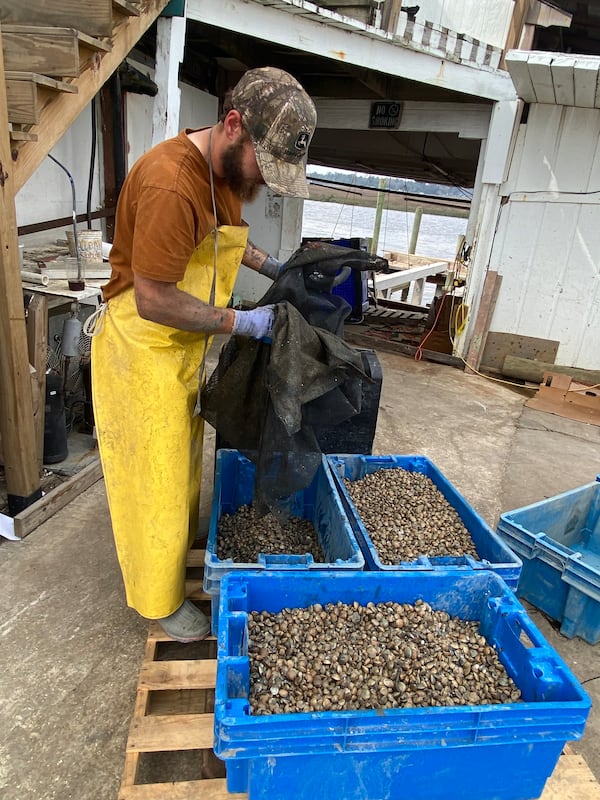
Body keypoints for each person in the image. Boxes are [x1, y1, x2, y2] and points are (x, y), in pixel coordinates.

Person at [89, 67, 317, 642]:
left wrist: (277, 268)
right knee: (154, 482)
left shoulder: (223, 174)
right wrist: (244, 321)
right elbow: (154, 299)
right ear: (233, 125)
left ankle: (174, 556)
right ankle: (157, 600)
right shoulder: (172, 183)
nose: (263, 182)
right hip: (142, 351)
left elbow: (226, 240)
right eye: (263, 167)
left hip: (179, 351)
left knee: (183, 468)